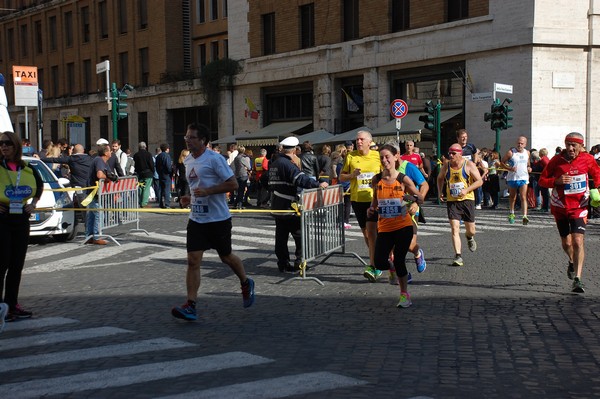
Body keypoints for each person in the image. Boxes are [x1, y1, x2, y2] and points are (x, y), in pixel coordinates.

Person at [172, 123, 255, 321]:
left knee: (226, 257)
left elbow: (233, 184)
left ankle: (245, 281)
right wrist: (188, 198)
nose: (187, 140)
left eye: (191, 137)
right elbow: (195, 188)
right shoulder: (189, 160)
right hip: (197, 219)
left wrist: (209, 191)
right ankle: (190, 305)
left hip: (218, 219)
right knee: (193, 260)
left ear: (202, 140)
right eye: (186, 137)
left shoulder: (215, 159)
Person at [538, 132, 600, 293]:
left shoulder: (588, 159)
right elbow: (542, 180)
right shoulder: (556, 160)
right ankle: (571, 261)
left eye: (574, 145)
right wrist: (556, 181)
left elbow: (597, 175)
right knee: (566, 243)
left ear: (581, 146)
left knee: (578, 241)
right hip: (560, 206)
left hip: (580, 206)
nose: (571, 148)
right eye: (568, 145)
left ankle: (578, 279)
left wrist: (596, 190)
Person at [369, 144, 423, 308]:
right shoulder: (377, 179)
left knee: (400, 259)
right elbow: (375, 202)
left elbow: (419, 197)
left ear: (395, 157)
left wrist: (411, 199)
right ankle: (390, 268)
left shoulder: (403, 179)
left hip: (403, 226)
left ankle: (404, 294)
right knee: (379, 262)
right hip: (385, 228)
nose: (385, 160)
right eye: (382, 158)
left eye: (387, 157)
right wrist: (371, 208)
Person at [0, 131, 43, 320]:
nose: (4, 146)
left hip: (20, 219)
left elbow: (39, 186)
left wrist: (33, 204)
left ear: (16, 145)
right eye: (1, 144)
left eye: (8, 143)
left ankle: (11, 304)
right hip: (1, 219)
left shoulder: (26, 168)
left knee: (17, 264)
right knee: (2, 263)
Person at [269, 136, 328, 272]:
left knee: (281, 236)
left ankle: (283, 263)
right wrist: (318, 184)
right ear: (295, 150)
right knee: (299, 235)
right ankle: (300, 261)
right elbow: (301, 179)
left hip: (277, 204)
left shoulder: (275, 163)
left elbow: (266, 181)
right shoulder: (287, 164)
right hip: (290, 205)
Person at [339, 130, 382, 281]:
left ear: (369, 142)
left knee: (376, 233)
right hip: (357, 200)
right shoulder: (350, 156)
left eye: (361, 139)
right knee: (367, 234)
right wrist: (352, 175)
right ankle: (377, 258)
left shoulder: (377, 156)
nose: (358, 142)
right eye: (357, 140)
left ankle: (376, 263)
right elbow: (341, 176)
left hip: (374, 200)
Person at [437, 143, 483, 266]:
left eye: (453, 153)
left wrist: (466, 190)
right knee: (454, 228)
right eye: (449, 153)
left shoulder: (469, 165)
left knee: (471, 230)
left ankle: (469, 237)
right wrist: (440, 191)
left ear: (460, 153)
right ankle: (458, 256)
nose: (450, 156)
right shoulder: (446, 165)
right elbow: (440, 178)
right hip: (452, 201)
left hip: (467, 200)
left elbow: (479, 181)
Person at [40, 143, 93, 211]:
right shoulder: (90, 159)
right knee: (89, 207)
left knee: (83, 206)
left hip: (79, 186)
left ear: (74, 151)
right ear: (83, 151)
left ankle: (86, 220)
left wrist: (41, 159)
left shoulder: (72, 158)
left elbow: (55, 160)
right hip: (91, 186)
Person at [85, 143, 113, 245]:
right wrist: (108, 177)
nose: (111, 152)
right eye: (110, 150)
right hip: (94, 193)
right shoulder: (99, 160)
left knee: (93, 214)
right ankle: (96, 236)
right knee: (98, 214)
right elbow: (100, 174)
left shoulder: (103, 161)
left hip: (96, 193)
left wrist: (110, 177)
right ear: (106, 153)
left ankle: (89, 236)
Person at [502, 136, 532, 225]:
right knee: (513, 197)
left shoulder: (527, 153)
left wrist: (529, 167)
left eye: (522, 143)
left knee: (523, 197)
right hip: (513, 178)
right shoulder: (511, 152)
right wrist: (509, 168)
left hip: (523, 177)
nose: (520, 145)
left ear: (525, 144)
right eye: (518, 143)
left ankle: (525, 216)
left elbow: (528, 163)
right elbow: (502, 162)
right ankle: (511, 214)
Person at [133, 141, 155, 208]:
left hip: (140, 174)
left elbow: (135, 165)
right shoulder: (148, 154)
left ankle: (140, 201)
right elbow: (151, 164)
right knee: (146, 188)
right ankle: (144, 203)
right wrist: (153, 171)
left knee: (141, 188)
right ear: (145, 147)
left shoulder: (136, 155)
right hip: (148, 173)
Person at [155, 143, 173, 209]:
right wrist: (170, 172)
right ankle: (167, 204)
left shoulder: (158, 156)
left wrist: (159, 172)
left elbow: (156, 166)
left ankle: (161, 203)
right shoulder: (167, 156)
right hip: (166, 175)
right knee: (167, 190)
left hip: (160, 174)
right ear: (167, 149)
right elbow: (168, 166)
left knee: (161, 190)